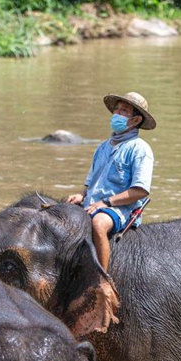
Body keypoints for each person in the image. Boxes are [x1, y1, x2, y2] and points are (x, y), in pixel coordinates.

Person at [64, 92, 156, 272]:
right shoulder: (103, 147)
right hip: (93, 203)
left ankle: (101, 278)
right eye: (116, 110)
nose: (117, 114)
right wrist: (80, 195)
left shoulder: (140, 149)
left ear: (135, 120)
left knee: (98, 224)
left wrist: (105, 203)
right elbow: (91, 182)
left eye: (123, 111)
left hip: (120, 209)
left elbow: (140, 191)